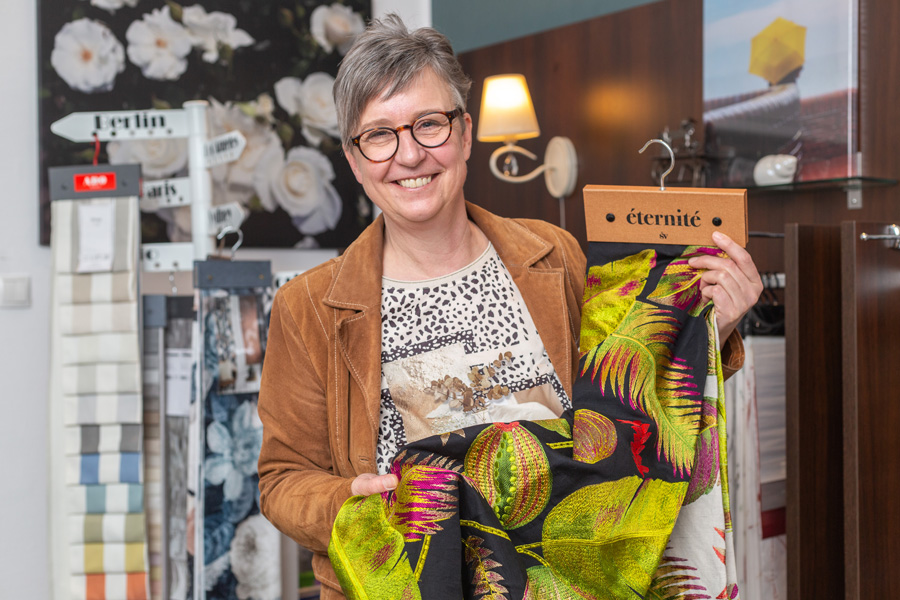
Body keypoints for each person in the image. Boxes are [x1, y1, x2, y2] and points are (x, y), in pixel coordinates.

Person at [257, 14, 762, 600]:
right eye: (379, 135)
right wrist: (352, 501)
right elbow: (281, 479)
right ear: (354, 158)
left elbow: (627, 401)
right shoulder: (308, 307)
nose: (409, 154)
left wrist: (712, 328)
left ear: (465, 133)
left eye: (429, 124)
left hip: (574, 580)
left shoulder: (555, 254)